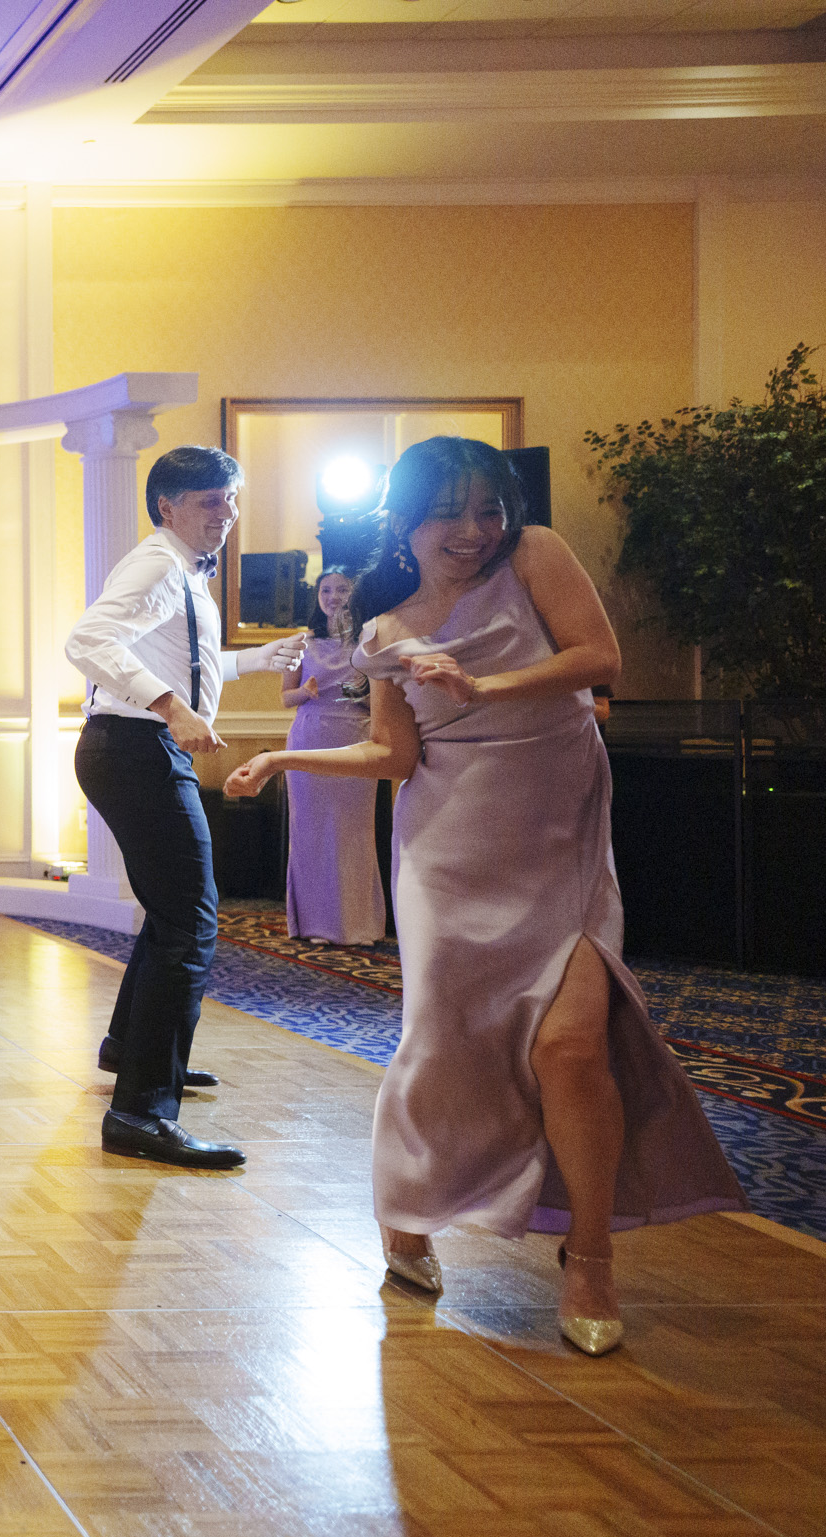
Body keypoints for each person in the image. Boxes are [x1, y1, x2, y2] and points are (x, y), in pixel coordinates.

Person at [226, 437, 741, 1355]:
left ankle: (589, 1258)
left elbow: (598, 657)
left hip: (559, 837)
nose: (475, 530)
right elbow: (395, 755)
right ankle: (410, 1209)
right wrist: (280, 754)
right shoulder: (382, 625)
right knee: (445, 1043)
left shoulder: (536, 555)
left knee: (574, 1046)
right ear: (404, 519)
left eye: (488, 509)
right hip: (446, 851)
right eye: (450, 511)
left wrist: (485, 683)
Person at [63, 446, 305, 1171]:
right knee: (192, 924)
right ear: (167, 506)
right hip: (137, 750)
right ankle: (141, 1111)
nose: (226, 516)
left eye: (230, 501)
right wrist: (173, 709)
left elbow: (189, 661)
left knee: (175, 917)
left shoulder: (178, 569)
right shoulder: (160, 563)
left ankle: (128, 1053)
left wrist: (255, 662)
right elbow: (87, 640)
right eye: (210, 502)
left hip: (131, 748)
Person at [278, 567, 386, 945]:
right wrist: (304, 692)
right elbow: (284, 698)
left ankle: (357, 925)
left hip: (354, 736)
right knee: (311, 829)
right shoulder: (301, 643)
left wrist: (365, 696)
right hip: (309, 735)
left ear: (353, 595)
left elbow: (381, 699)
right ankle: (314, 925)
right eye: (326, 590)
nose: (333, 596)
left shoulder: (369, 640)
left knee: (353, 830)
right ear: (317, 597)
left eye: (341, 589)